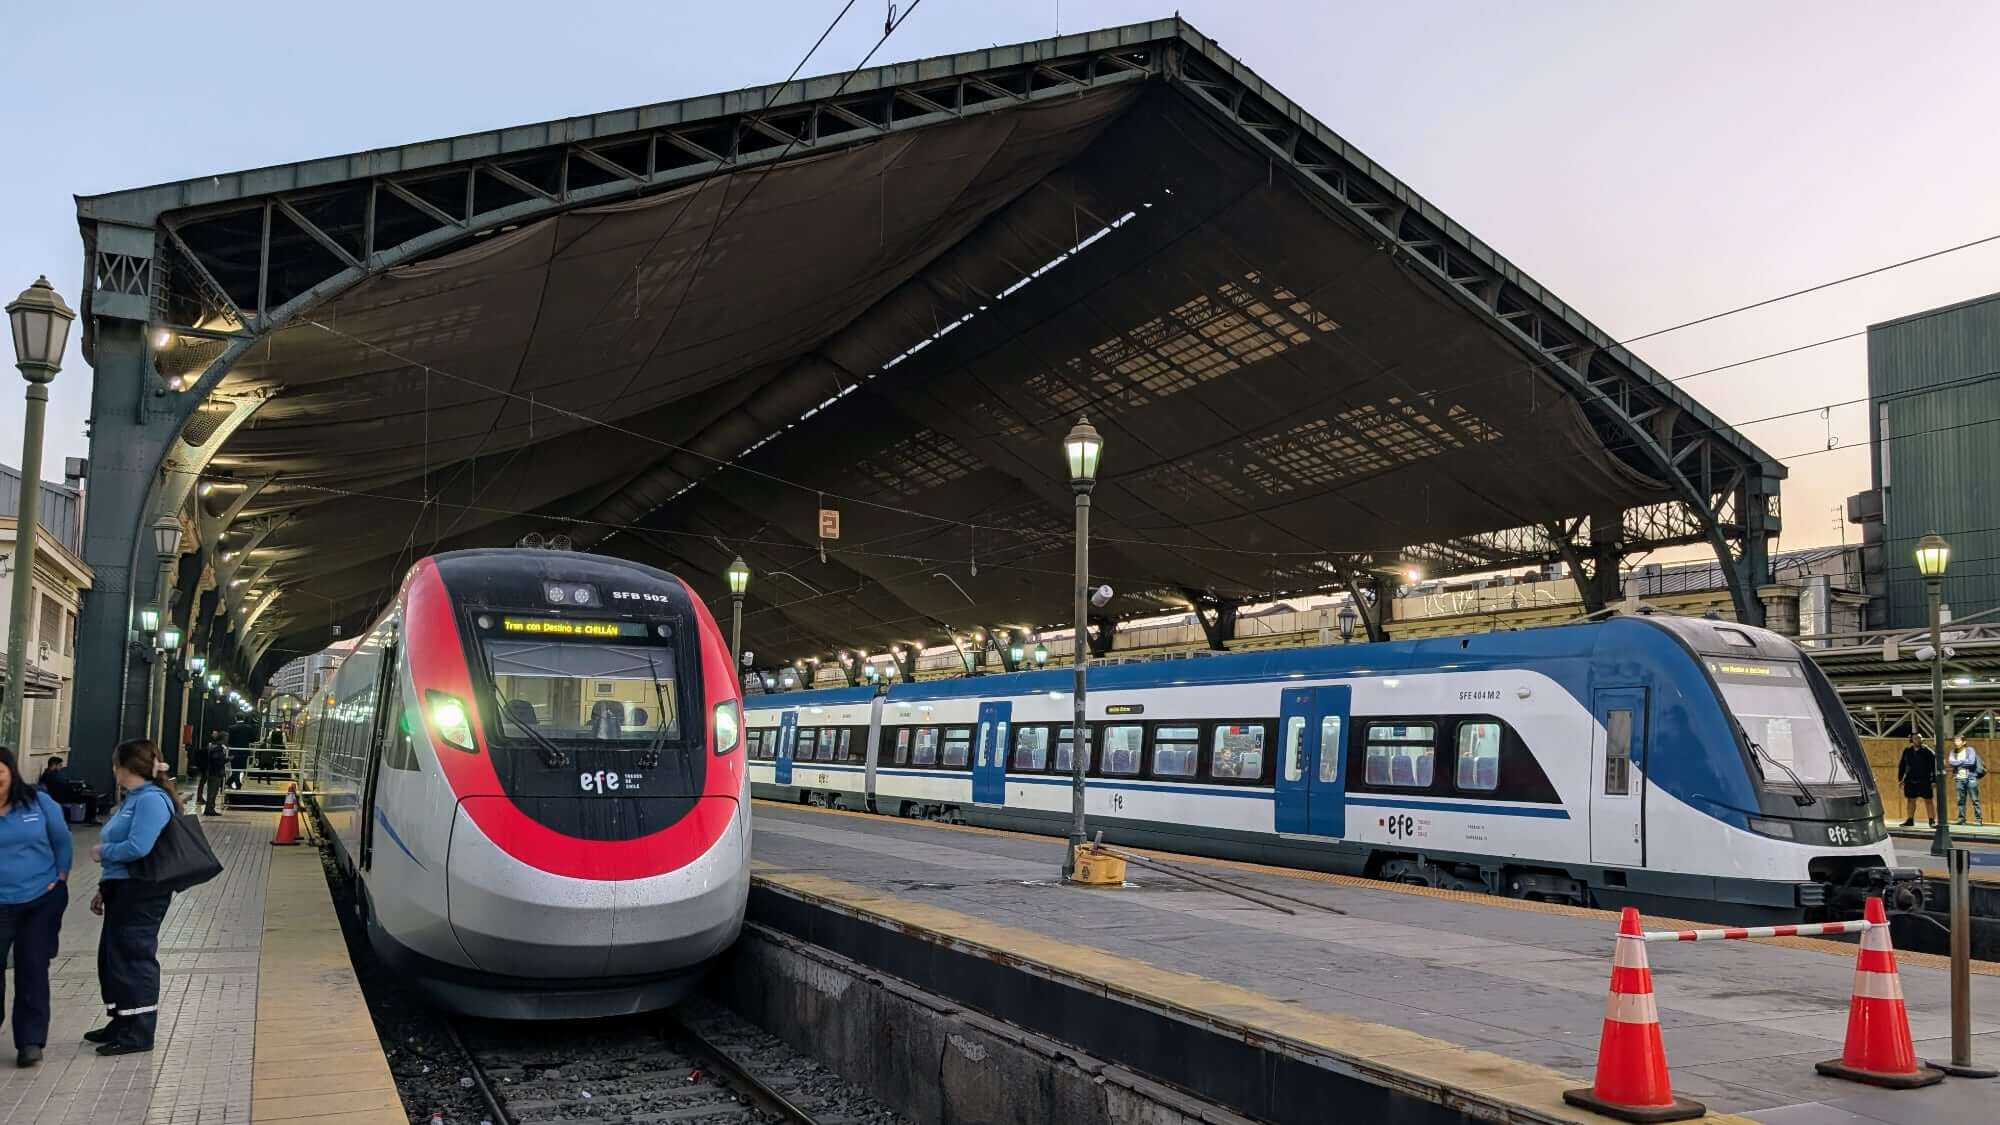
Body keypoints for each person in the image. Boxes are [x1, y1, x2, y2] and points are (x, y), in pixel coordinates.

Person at [87, 740, 179, 1056]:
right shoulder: (135, 798)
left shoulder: (151, 800)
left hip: (142, 891)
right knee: (112, 959)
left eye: (115, 764)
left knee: (134, 959)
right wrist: (104, 887)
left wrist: (103, 852)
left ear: (125, 767)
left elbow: (139, 847)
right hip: (122, 887)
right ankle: (121, 1020)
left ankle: (139, 1031)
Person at [0, 747, 71, 1068]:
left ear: (11, 771)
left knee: (32, 965)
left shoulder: (38, 803)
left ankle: (30, 1041)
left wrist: (61, 876)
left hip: (39, 900)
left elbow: (62, 840)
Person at [36, 756, 99, 824]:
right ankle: (90, 819)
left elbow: (64, 783)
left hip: (62, 794)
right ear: (54, 765)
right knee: (91, 797)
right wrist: (76, 787)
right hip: (61, 797)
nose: (61, 767)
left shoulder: (49, 774)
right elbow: (63, 784)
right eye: (60, 765)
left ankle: (89, 819)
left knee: (89, 794)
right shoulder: (51, 775)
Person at [1896, 733, 1938, 827]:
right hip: (1910, 780)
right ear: (1912, 740)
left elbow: (1934, 767)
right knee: (1911, 800)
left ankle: (1932, 820)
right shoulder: (1907, 751)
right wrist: (1900, 779)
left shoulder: (1928, 751)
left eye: (1919, 738)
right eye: (1916, 738)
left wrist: (1934, 780)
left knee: (1928, 800)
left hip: (1925, 780)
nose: (1918, 740)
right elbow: (1902, 765)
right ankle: (1910, 820)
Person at [1949, 737, 1986, 826]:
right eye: (1955, 741)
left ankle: (1978, 819)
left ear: (1964, 742)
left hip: (1971, 777)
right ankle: (1961, 819)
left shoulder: (1970, 750)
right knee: (1960, 800)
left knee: (1975, 800)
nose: (1956, 742)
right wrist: (1963, 761)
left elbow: (1971, 762)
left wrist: (1958, 762)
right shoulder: (1953, 752)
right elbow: (1951, 762)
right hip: (1959, 778)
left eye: (1958, 741)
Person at [197, 733, 229, 817]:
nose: (227, 740)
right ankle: (209, 809)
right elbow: (217, 761)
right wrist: (227, 760)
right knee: (212, 792)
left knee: (213, 792)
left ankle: (211, 808)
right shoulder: (217, 748)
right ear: (222, 739)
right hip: (215, 773)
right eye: (226, 738)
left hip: (214, 772)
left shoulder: (216, 747)